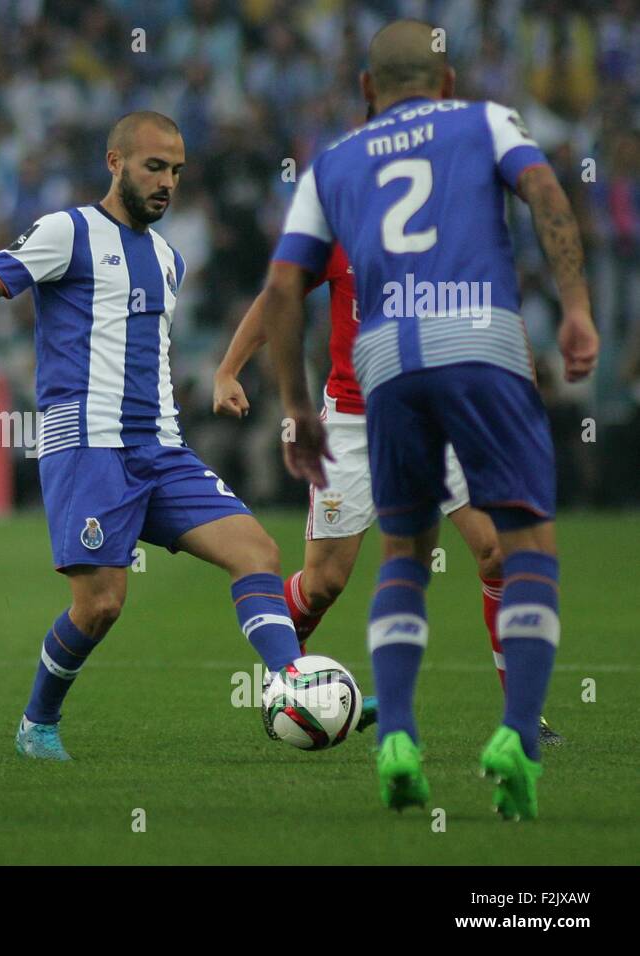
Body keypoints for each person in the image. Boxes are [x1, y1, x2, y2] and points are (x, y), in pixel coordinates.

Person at [259, 21, 598, 818]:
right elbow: (547, 193)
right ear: (444, 83)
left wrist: (296, 406)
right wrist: (577, 308)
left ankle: (399, 737)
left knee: (407, 555)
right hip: (480, 343)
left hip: (385, 366)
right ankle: (516, 732)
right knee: (525, 543)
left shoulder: (335, 161)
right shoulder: (482, 119)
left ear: (369, 91)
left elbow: (280, 290)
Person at [0, 111, 321, 761]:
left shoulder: (168, 258)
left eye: (177, 171)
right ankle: (37, 724)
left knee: (257, 551)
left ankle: (295, 687)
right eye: (154, 167)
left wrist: (222, 375)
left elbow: (144, 352)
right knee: (100, 605)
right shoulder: (68, 232)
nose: (167, 183)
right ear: (115, 163)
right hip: (87, 444)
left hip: (160, 448)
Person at [214, 238, 563, 746]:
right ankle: (285, 676)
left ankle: (524, 713)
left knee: (496, 554)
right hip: (356, 425)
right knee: (323, 583)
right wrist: (228, 368)